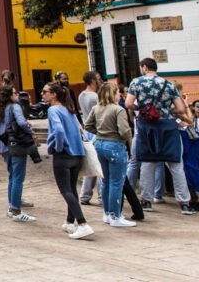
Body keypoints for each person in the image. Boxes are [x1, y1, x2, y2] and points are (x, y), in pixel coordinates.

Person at [125, 57, 196, 215]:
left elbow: (129, 104)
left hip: (147, 128)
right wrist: (168, 111)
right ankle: (184, 202)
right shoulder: (169, 84)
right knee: (176, 165)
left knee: (148, 164)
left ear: (144, 67)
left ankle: (146, 200)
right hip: (168, 128)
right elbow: (181, 109)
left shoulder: (136, 83)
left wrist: (141, 108)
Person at [44, 82, 94, 239]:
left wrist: (58, 147)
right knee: (72, 189)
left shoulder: (53, 110)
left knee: (66, 190)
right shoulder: (69, 109)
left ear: (54, 95)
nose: (42, 94)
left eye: (45, 92)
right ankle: (69, 221)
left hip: (64, 155)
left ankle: (83, 223)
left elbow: (58, 130)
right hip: (77, 154)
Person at [84, 82, 135, 227]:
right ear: (113, 94)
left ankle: (107, 213)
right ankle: (115, 215)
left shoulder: (96, 108)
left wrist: (100, 132)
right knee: (116, 182)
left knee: (105, 181)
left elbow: (87, 125)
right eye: (118, 92)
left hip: (99, 144)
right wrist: (125, 139)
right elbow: (125, 131)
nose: (120, 94)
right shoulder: (118, 110)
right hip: (115, 145)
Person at [0, 86, 36, 222]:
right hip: (16, 144)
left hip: (4, 145)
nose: (17, 95)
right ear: (9, 96)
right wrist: (30, 131)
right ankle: (16, 209)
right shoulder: (14, 107)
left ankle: (12, 207)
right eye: (15, 93)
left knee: (12, 176)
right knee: (18, 177)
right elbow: (22, 123)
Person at [78, 70, 103, 206]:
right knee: (99, 165)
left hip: (88, 131)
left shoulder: (82, 95)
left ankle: (85, 194)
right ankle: (101, 196)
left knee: (90, 163)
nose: (100, 81)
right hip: (96, 130)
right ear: (93, 81)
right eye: (98, 79)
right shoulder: (95, 97)